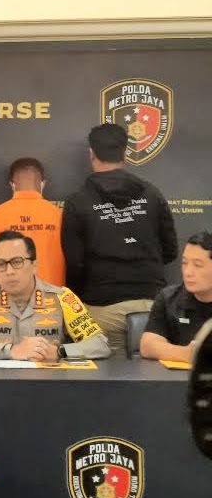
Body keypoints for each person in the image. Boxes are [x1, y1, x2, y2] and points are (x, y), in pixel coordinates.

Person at [61, 123, 178, 353]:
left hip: (103, 307)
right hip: (153, 308)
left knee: (106, 375)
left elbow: (74, 264)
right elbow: (171, 250)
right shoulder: (152, 194)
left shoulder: (78, 201)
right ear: (125, 152)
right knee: (155, 374)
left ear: (91, 154)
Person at [0, 231, 110, 361]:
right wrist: (10, 350)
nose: (9, 271)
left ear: (34, 266)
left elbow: (100, 344)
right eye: (1, 264)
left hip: (47, 384)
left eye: (17, 262)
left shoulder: (62, 298)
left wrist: (60, 351)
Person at [0, 157, 64, 286]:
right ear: (42, 184)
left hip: (9, 295)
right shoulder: (58, 215)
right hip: (51, 294)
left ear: (12, 184)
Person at [140, 231, 212, 363]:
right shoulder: (169, 298)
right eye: (184, 263)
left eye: (198, 265)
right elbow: (147, 346)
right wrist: (187, 354)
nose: (188, 272)